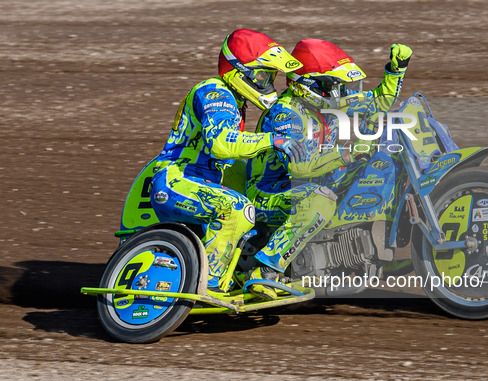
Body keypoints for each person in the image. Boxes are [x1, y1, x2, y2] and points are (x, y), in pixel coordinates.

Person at [245, 38, 412, 300]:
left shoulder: (325, 104)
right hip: (271, 193)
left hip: (313, 183)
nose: (340, 93)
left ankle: (371, 253)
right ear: (308, 85)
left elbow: (379, 102)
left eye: (340, 86)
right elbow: (299, 165)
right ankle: (265, 270)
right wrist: (346, 153)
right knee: (319, 201)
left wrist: (395, 71)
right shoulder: (285, 114)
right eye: (332, 86)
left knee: (382, 168)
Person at [149, 28, 302, 291]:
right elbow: (221, 143)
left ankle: (247, 270)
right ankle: (207, 284)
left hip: (200, 182)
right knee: (235, 208)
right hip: (176, 179)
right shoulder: (215, 92)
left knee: (266, 202)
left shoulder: (235, 100)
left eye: (271, 77)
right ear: (239, 71)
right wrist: (272, 140)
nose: (268, 83)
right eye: (263, 75)